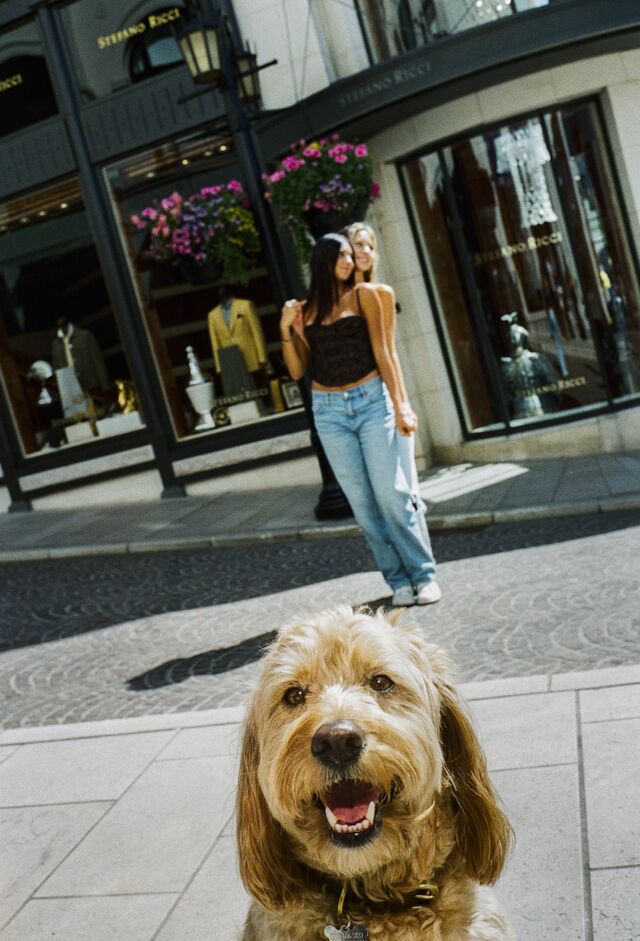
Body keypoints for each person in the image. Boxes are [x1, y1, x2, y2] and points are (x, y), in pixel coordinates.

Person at [280, 233, 440, 606]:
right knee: (364, 506)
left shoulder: (366, 295)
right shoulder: (307, 310)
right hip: (328, 411)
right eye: (342, 256)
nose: (350, 262)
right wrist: (286, 330)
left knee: (392, 494)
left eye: (352, 255)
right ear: (324, 260)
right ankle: (398, 581)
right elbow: (296, 370)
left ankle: (424, 575)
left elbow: (385, 354)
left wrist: (401, 405)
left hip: (371, 402)